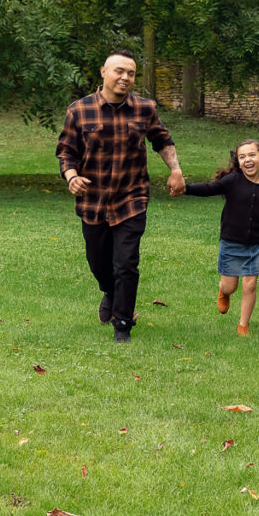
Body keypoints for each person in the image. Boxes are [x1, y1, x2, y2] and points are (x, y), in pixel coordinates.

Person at [56, 50, 185, 343]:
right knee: (98, 263)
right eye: (119, 71)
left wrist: (175, 169)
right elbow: (66, 151)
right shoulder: (79, 110)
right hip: (93, 200)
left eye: (131, 73)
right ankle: (110, 292)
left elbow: (161, 140)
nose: (125, 78)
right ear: (104, 72)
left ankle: (123, 325)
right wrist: (72, 176)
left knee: (126, 263)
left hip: (131, 198)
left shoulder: (144, 108)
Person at [176, 139, 259, 336]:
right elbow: (209, 188)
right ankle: (223, 292)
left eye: (252, 155)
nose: (247, 160)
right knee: (230, 285)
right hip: (231, 242)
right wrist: (186, 188)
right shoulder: (232, 181)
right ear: (238, 162)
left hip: (255, 245)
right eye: (242, 157)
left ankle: (243, 325)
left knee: (250, 284)